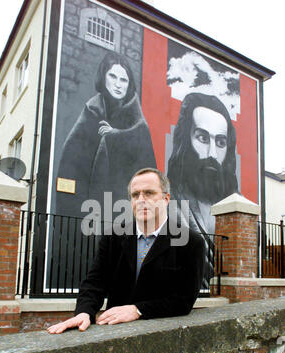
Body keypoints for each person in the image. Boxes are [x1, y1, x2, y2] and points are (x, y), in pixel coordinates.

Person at [48, 168, 205, 334]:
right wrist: (84, 312)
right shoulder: (113, 237)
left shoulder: (191, 242)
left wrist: (137, 310)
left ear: (166, 199)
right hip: (114, 334)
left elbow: (183, 300)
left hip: (163, 337)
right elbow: (95, 282)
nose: (141, 200)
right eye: (135, 195)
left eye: (149, 193)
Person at [56, 51, 156, 218]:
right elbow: (71, 164)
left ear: (129, 84)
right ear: (103, 77)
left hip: (125, 214)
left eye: (124, 80)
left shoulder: (139, 126)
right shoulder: (91, 113)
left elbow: (149, 175)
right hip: (89, 213)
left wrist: (115, 137)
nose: (118, 84)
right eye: (113, 77)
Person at [167, 92, 238, 237]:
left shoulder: (238, 208)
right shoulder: (167, 201)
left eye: (220, 142)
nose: (212, 153)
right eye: (203, 138)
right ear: (185, 142)